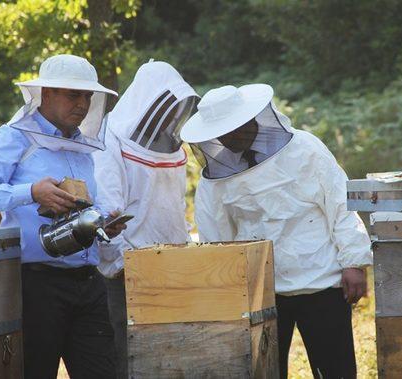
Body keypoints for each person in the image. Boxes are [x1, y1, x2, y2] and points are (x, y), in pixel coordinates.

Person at [180, 84, 372, 379]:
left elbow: (340, 203)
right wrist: (228, 291)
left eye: (233, 129)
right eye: (220, 133)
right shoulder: (213, 180)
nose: (228, 138)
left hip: (322, 280)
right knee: (264, 373)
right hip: (262, 292)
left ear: (251, 119)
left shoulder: (305, 148)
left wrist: (354, 262)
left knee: (336, 372)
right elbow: (216, 239)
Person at [0, 54, 126, 378]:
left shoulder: (82, 145)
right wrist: (30, 192)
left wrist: (104, 221)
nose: (82, 104)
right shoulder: (15, 136)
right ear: (47, 93)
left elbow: (85, 203)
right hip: (36, 285)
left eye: (87, 96)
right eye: (73, 94)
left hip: (88, 282)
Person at [93, 60, 199, 378]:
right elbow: (109, 212)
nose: (172, 114)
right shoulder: (110, 139)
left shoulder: (173, 148)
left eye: (177, 107)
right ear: (150, 100)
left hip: (171, 266)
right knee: (129, 360)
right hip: (127, 273)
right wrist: (124, 263)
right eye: (168, 105)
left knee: (170, 359)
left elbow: (174, 206)